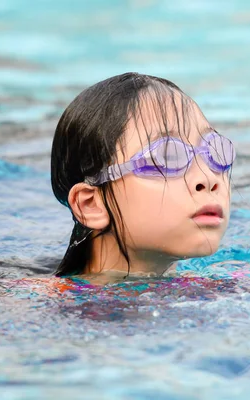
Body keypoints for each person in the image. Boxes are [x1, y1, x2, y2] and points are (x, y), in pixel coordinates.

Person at [51, 72, 235, 281]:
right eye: (167, 155)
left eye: (215, 150)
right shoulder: (36, 301)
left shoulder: (225, 285)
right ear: (91, 204)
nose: (209, 178)